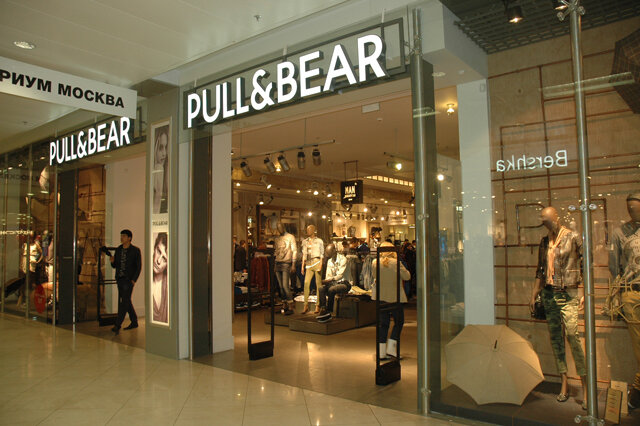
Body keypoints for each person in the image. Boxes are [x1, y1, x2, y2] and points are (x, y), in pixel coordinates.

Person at [529, 207, 587, 409]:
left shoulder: (573, 237)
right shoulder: (545, 241)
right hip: (549, 293)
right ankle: (564, 382)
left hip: (568, 293)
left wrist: (583, 291)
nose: (546, 224)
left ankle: (585, 385)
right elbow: (540, 269)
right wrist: (534, 293)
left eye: (548, 220)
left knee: (572, 336)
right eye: (543, 221)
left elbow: (585, 264)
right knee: (556, 338)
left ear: (556, 218)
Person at [609, 192, 640, 410]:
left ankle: (637, 390)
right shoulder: (620, 233)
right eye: (629, 208)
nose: (632, 211)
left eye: (635, 207)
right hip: (633, 293)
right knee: (638, 345)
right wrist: (617, 293)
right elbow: (615, 267)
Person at [373, 242, 410, 359]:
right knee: (399, 322)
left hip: (381, 297)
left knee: (383, 324)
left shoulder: (375, 262)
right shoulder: (396, 263)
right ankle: (392, 349)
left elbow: (374, 276)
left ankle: (381, 352)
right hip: (395, 297)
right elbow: (407, 276)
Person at [107, 229, 141, 335]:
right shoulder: (119, 249)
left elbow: (138, 266)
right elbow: (115, 265)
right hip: (120, 279)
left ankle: (117, 325)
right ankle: (134, 321)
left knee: (124, 302)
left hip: (128, 280)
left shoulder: (135, 250)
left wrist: (133, 280)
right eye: (121, 236)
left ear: (129, 238)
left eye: (124, 236)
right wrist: (112, 262)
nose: (121, 238)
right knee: (126, 301)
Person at [315, 244, 349, 322]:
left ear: (334, 251)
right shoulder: (329, 261)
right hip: (333, 283)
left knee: (331, 290)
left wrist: (329, 280)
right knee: (321, 288)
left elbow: (340, 275)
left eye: (330, 253)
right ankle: (323, 309)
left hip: (344, 283)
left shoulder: (343, 259)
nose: (329, 255)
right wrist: (326, 281)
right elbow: (328, 275)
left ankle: (329, 311)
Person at [274, 223, 296, 315]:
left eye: (280, 227)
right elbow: (276, 251)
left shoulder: (290, 237)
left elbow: (294, 250)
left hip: (286, 263)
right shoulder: (277, 239)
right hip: (278, 262)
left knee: (285, 285)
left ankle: (290, 306)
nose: (279, 229)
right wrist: (274, 264)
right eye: (278, 228)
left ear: (283, 227)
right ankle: (284, 305)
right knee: (281, 286)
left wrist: (293, 264)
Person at [301, 225, 323, 314]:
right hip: (309, 263)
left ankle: (318, 305)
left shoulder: (319, 241)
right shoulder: (305, 241)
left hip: (317, 261)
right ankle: (305, 305)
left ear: (314, 230)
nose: (308, 231)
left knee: (318, 284)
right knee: (306, 283)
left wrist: (321, 264)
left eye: (310, 229)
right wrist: (302, 265)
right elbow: (304, 254)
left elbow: (322, 254)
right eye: (307, 229)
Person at [152, 232, 168, 324]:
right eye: (158, 251)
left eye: (164, 259)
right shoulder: (148, 281)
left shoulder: (168, 286)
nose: (158, 261)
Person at [152, 126, 169, 214]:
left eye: (165, 147)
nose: (164, 153)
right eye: (160, 148)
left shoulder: (160, 169)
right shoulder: (158, 168)